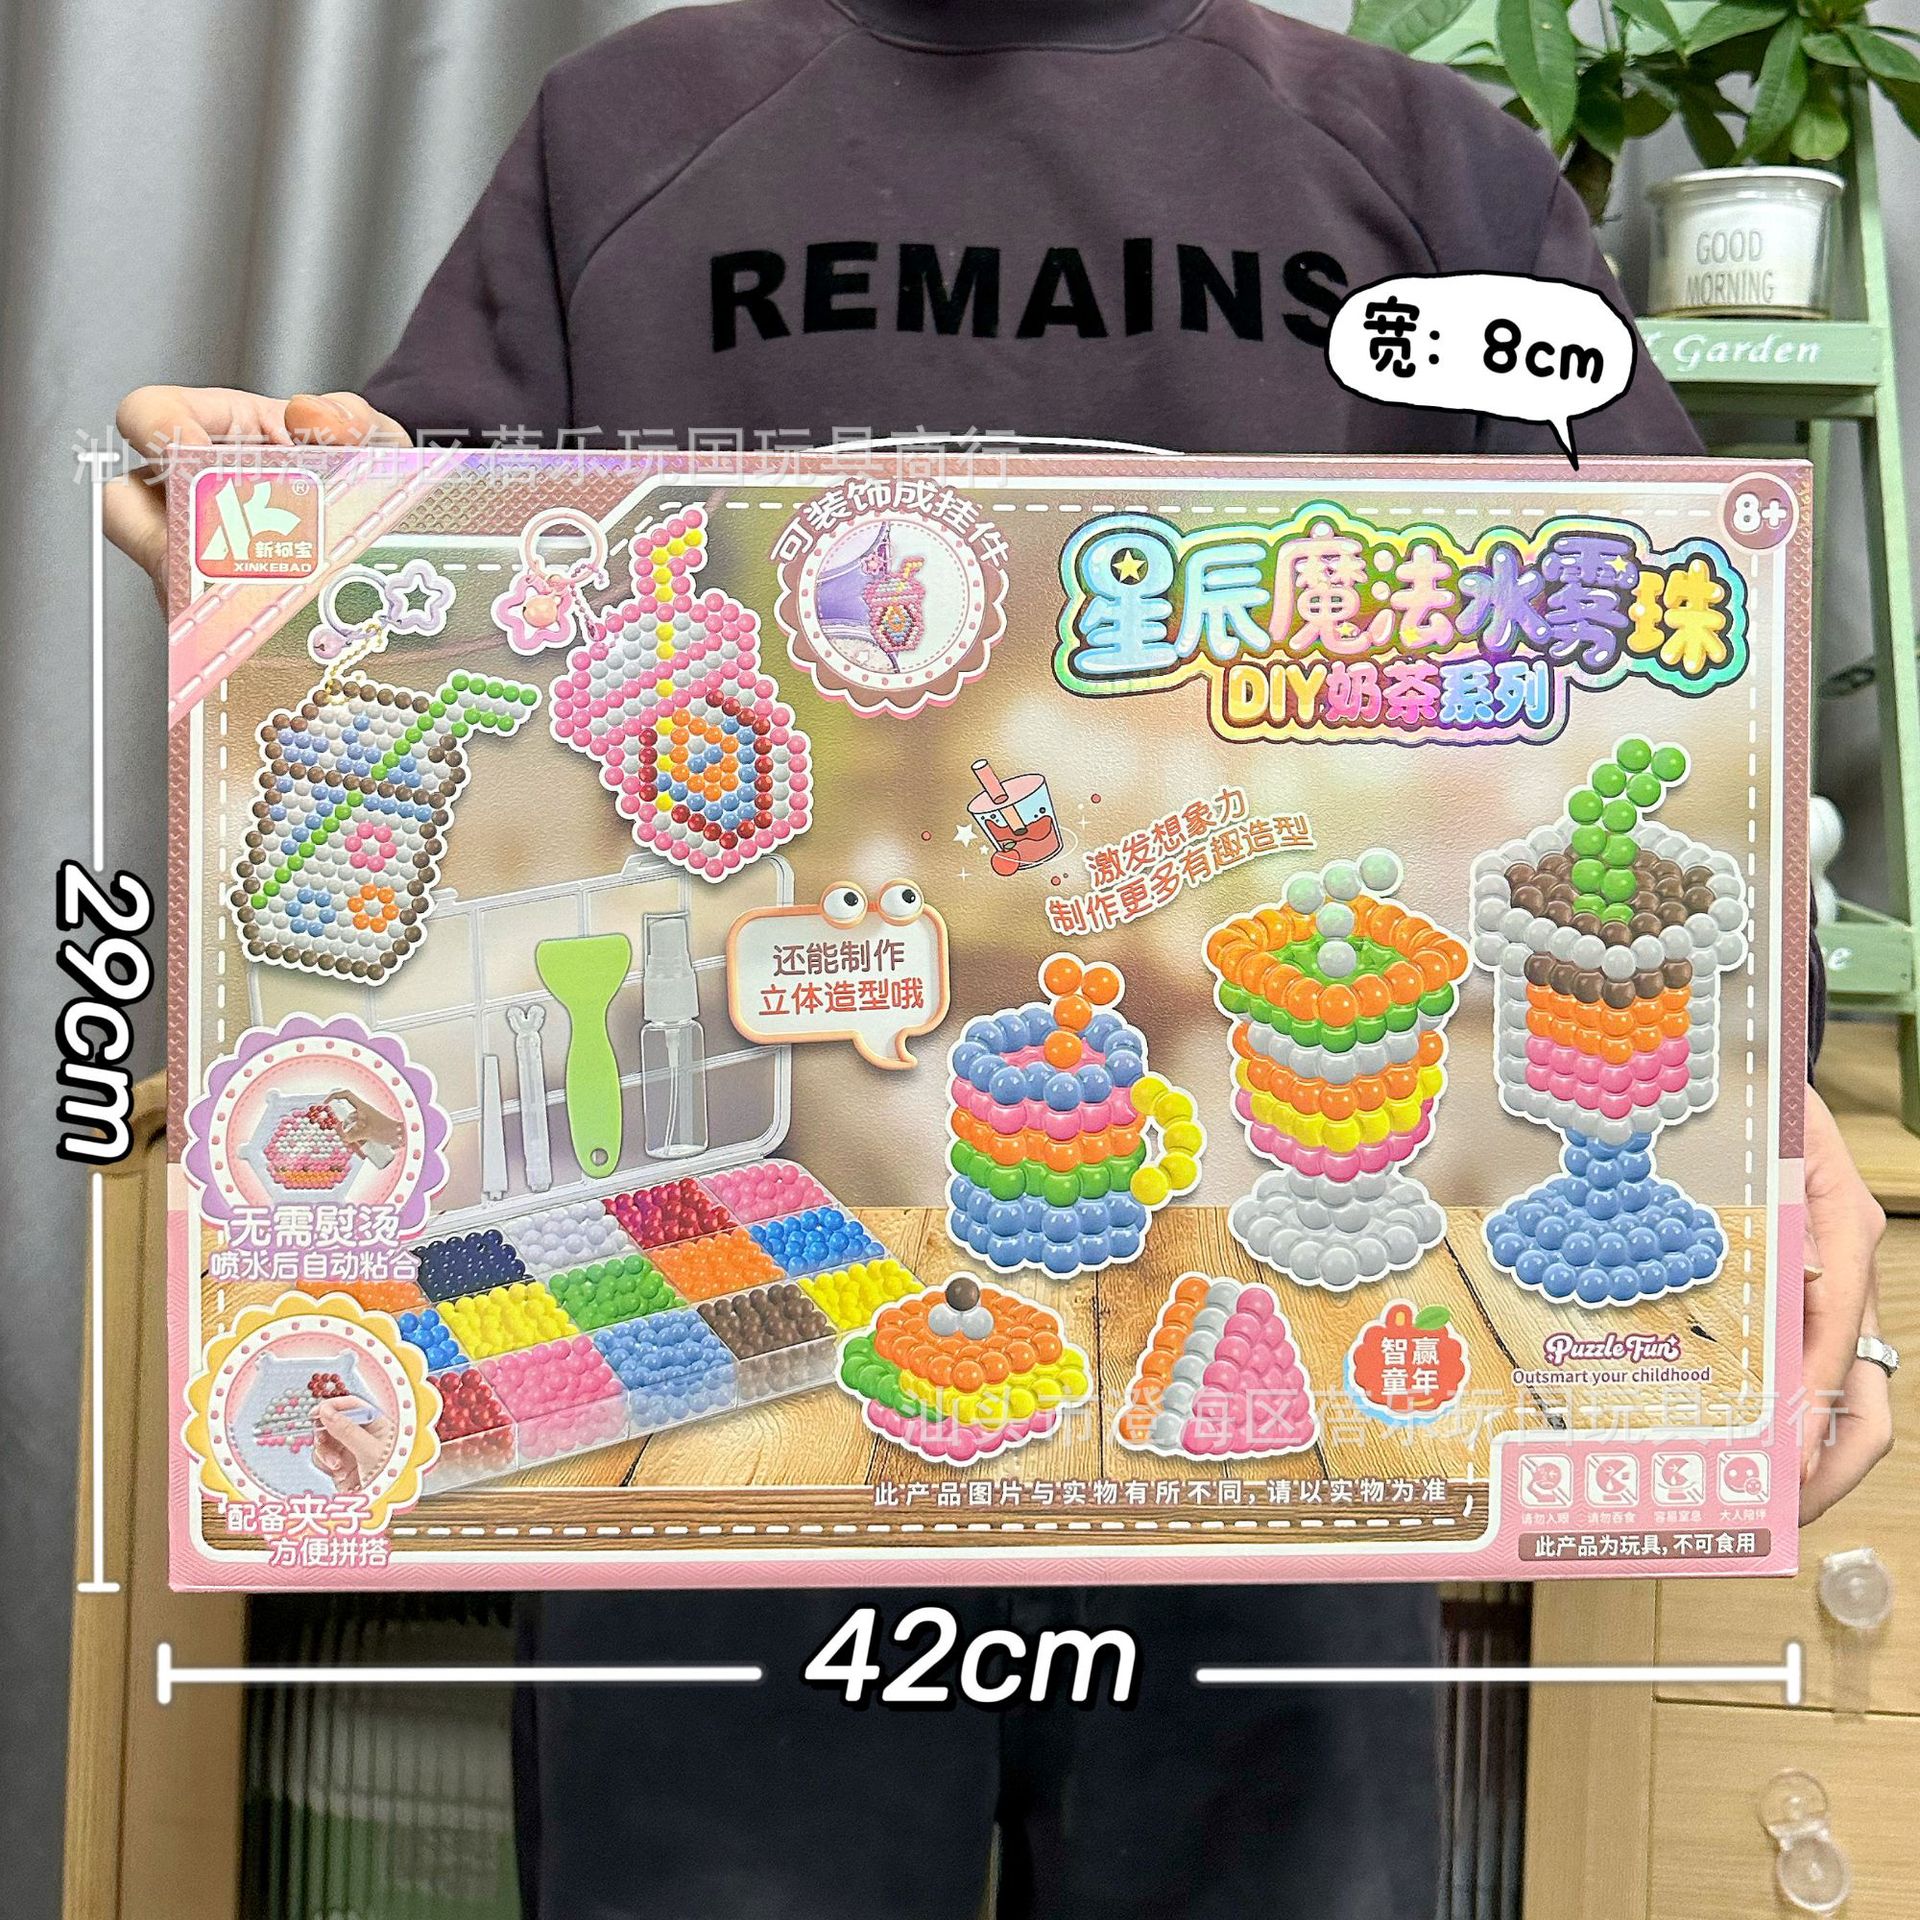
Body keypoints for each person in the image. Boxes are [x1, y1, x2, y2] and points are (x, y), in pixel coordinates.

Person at [109, 3, 1892, 1914]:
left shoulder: (1429, 162)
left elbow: (1669, 675)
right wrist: (278, 540)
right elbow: (449, 637)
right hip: (734, 1375)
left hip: (1271, 1358)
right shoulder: (626, 134)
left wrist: (1766, 1119)